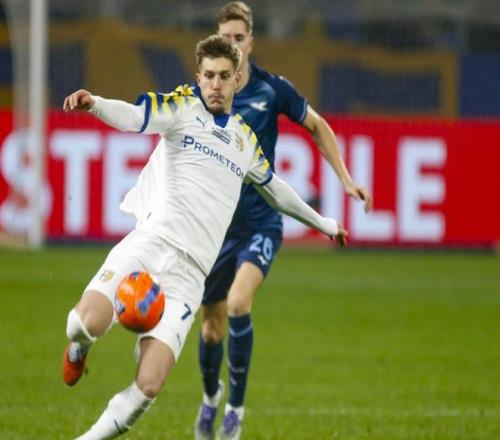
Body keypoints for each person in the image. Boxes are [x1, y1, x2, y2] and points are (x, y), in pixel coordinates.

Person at [61, 34, 347, 440]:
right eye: (209, 75)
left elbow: (276, 190)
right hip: (150, 246)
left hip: (190, 277)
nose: (215, 84)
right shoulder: (182, 108)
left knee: (149, 386)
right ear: (199, 77)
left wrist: (324, 223)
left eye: (224, 76)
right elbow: (134, 116)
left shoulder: (244, 140)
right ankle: (79, 349)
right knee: (82, 323)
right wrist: (95, 104)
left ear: (236, 80)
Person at [194, 3, 373, 440]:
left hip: (260, 224)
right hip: (215, 230)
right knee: (211, 329)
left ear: (250, 42)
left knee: (239, 303)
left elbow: (317, 125)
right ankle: (212, 396)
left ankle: (235, 411)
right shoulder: (203, 94)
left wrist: (346, 179)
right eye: (225, 38)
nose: (232, 45)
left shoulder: (271, 90)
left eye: (239, 38)